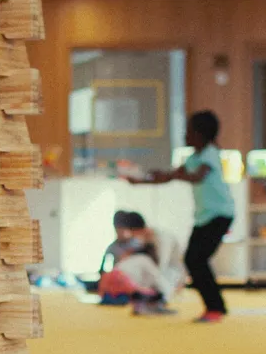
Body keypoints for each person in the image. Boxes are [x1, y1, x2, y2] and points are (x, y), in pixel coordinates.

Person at [133, 110, 233, 323]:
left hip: (219, 215)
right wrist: (141, 181)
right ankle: (215, 307)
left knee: (196, 259)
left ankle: (215, 307)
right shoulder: (194, 157)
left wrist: (175, 175)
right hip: (204, 217)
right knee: (194, 260)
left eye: (189, 131)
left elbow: (198, 176)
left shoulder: (210, 153)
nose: (185, 135)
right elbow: (170, 176)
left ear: (201, 134)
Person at [96, 209, 171, 315]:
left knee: (147, 282)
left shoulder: (140, 249)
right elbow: (158, 276)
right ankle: (147, 299)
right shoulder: (139, 255)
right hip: (120, 278)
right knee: (148, 284)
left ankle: (146, 298)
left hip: (115, 279)